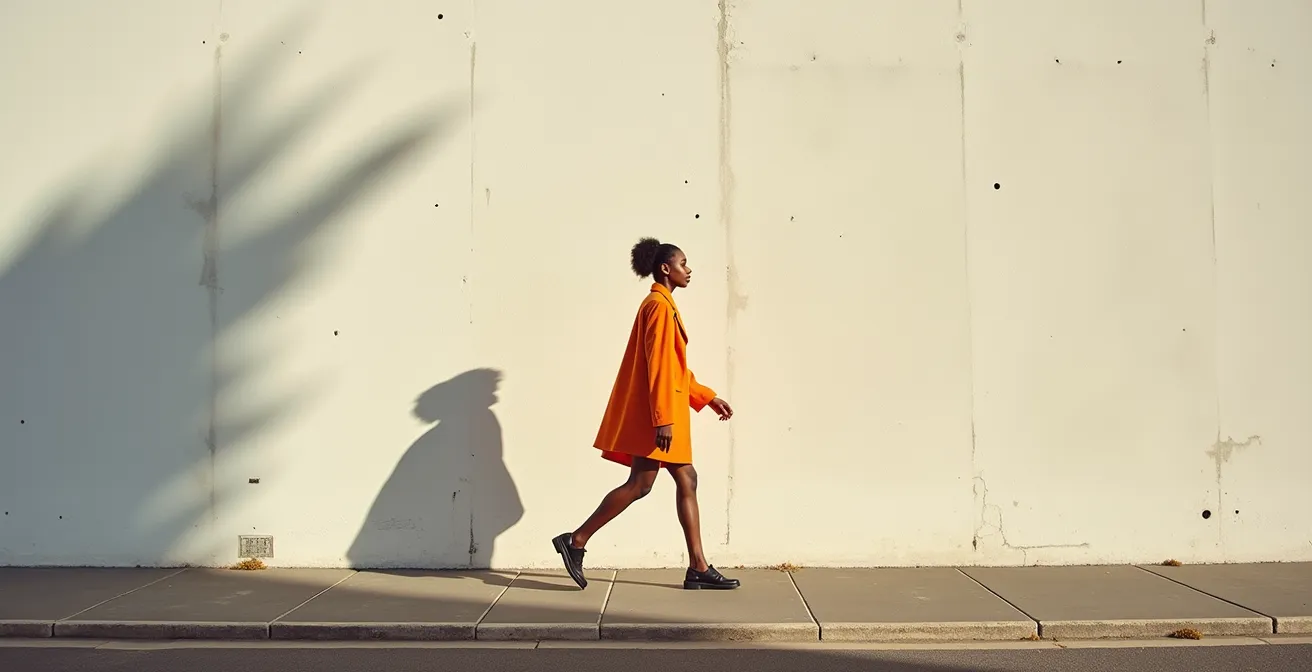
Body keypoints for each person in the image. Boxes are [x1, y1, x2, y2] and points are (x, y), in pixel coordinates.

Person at [552, 237, 740, 591]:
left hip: (666, 414)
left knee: (679, 480)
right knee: (643, 485)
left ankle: (697, 566)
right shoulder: (657, 306)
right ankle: (576, 539)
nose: (689, 270)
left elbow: (673, 368)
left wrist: (707, 397)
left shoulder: (663, 305)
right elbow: (656, 368)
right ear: (666, 268)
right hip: (661, 418)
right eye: (684, 263)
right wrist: (662, 419)